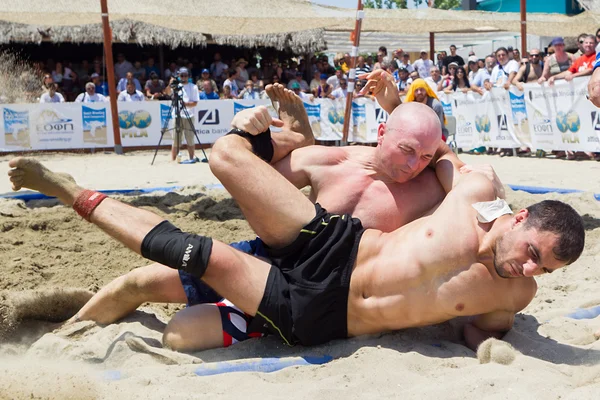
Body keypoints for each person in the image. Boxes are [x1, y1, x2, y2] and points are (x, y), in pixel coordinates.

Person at [8, 116, 584, 352]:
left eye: (545, 270)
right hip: (336, 242)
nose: (529, 269)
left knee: (193, 258)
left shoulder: (515, 297)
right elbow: (443, 155)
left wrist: (483, 340)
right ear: (516, 220)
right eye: (533, 253)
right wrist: (403, 121)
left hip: (314, 308)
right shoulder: (475, 191)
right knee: (226, 156)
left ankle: (75, 196)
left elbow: (477, 331)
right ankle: (259, 129)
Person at [164, 68, 199, 162]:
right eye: (181, 75)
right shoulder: (176, 86)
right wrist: (170, 84)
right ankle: (173, 159)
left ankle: (191, 158)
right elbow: (167, 93)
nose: (183, 77)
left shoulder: (193, 87)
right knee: (176, 139)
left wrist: (185, 104)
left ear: (188, 76)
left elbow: (195, 102)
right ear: (179, 76)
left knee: (190, 137)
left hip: (189, 115)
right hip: (176, 114)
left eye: (185, 75)